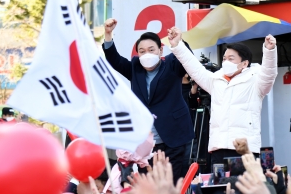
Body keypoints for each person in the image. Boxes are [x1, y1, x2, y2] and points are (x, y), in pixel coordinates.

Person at [167, 27, 277, 166]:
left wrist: (270, 51)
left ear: (244, 63)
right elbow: (194, 68)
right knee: (220, 188)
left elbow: (269, 74)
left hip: (244, 150)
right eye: (224, 58)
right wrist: (177, 45)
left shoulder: (256, 81)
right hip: (218, 148)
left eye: (231, 59)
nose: (226, 62)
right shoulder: (215, 80)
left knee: (243, 187)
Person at [103, 18, 194, 183]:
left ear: (160, 50)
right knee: (149, 184)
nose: (146, 54)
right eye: (142, 51)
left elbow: (188, 60)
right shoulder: (135, 67)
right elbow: (115, 60)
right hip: (147, 143)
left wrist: (179, 43)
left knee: (171, 183)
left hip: (173, 136)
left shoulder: (172, 64)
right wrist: (108, 35)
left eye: (151, 49)